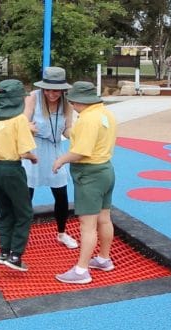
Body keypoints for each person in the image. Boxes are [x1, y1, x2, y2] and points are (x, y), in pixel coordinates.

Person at [52, 81, 117, 285]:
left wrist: (61, 160)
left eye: (72, 102)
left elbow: (81, 152)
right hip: (106, 170)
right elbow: (90, 137)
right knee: (104, 218)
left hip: (90, 175)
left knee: (87, 225)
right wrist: (69, 131)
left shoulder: (88, 119)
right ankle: (104, 259)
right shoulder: (105, 113)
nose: (72, 106)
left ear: (79, 101)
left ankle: (81, 270)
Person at [22, 66, 78, 249]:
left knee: (61, 193)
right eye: (48, 89)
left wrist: (78, 134)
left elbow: (67, 129)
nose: (51, 94)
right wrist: (28, 127)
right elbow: (23, 121)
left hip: (55, 148)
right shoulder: (33, 97)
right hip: (34, 148)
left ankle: (61, 233)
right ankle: (21, 233)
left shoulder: (67, 103)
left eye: (56, 90)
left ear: (62, 90)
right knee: (27, 194)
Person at [0, 79, 38, 271]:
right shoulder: (20, 120)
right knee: (24, 213)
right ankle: (16, 255)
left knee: (6, 211)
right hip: (12, 169)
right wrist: (33, 157)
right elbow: (24, 151)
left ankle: (3, 252)